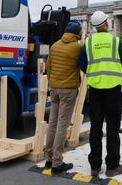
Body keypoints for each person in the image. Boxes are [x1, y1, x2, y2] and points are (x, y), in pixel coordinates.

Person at [79, 11, 122, 177]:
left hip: (95, 89)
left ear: (94, 27)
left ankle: (95, 167)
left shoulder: (88, 42)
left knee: (95, 126)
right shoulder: (115, 41)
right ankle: (112, 166)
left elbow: (82, 64)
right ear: (106, 24)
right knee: (112, 127)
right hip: (113, 88)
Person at [44, 21, 83, 174]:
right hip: (68, 89)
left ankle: (48, 158)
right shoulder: (77, 48)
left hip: (54, 88)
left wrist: (52, 83)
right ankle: (57, 162)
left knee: (52, 122)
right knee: (62, 124)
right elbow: (83, 65)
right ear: (77, 33)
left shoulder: (54, 45)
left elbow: (48, 66)